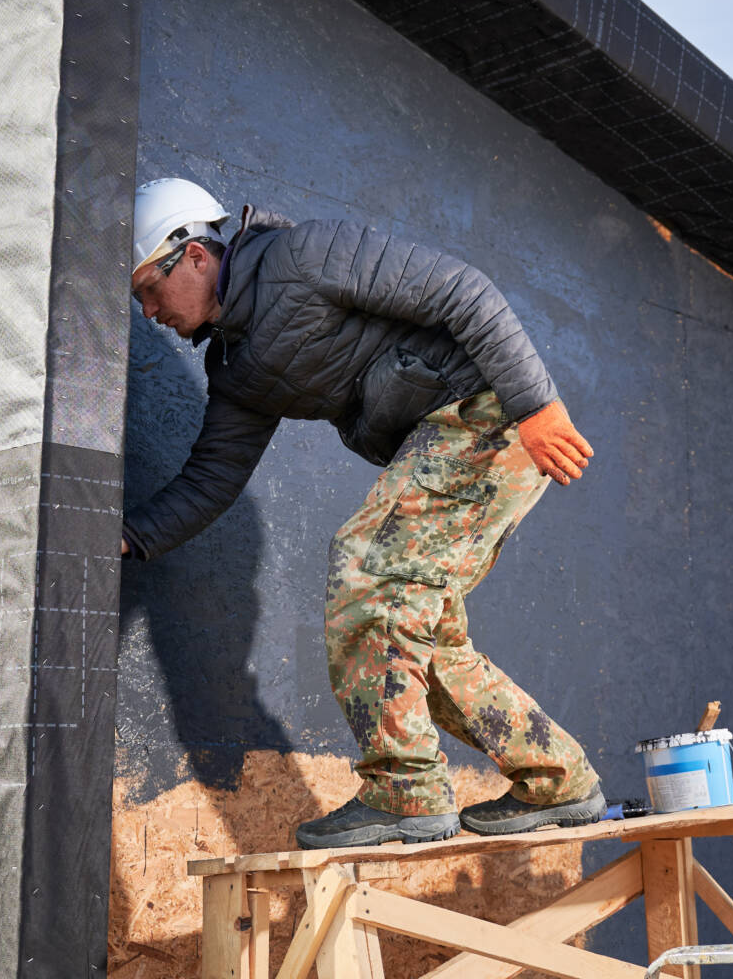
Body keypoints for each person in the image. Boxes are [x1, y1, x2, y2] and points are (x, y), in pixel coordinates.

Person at [121, 178, 603, 848]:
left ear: (195, 256)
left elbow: (460, 291)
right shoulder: (237, 368)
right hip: (449, 436)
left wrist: (536, 407)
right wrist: (128, 538)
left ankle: (404, 792)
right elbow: (211, 479)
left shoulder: (305, 257)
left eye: (148, 288)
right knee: (415, 631)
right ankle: (557, 779)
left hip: (484, 415)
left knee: (369, 574)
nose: (147, 310)